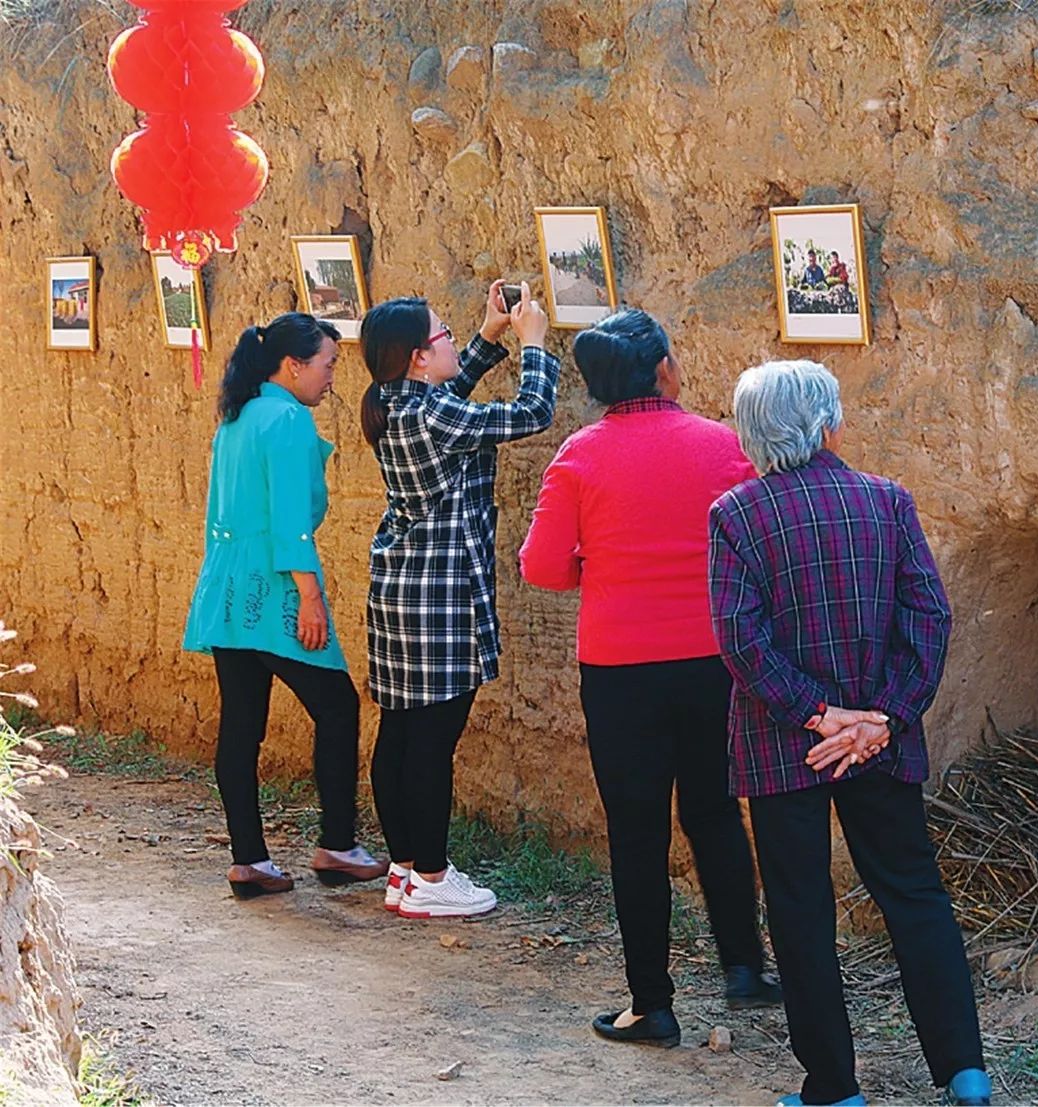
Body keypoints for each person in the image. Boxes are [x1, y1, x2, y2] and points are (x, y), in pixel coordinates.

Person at [708, 359, 990, 1107]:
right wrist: (883, 718)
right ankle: (966, 1069)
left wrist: (818, 714)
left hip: (783, 745)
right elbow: (928, 617)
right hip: (879, 740)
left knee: (801, 910)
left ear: (750, 434)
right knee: (915, 895)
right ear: (829, 422)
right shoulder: (886, 500)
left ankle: (832, 1088)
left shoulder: (735, 515)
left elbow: (741, 641)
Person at [519, 308, 782, 1048]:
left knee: (636, 833)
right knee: (715, 812)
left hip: (619, 671)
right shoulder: (723, 445)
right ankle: (744, 969)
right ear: (663, 369)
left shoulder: (578, 456)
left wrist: (595, 570)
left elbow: (540, 565)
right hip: (710, 663)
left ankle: (652, 1004)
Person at [360, 281, 559, 919]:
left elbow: (447, 399)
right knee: (432, 744)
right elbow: (531, 414)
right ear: (418, 355)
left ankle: (404, 871)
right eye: (442, 336)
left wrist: (485, 338)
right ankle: (433, 875)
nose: (449, 341)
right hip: (440, 597)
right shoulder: (431, 414)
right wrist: (534, 346)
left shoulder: (394, 402)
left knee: (400, 733)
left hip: (401, 590)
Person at [183, 312, 388, 900]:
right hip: (275, 588)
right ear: (293, 366)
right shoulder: (290, 420)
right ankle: (338, 844)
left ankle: (249, 859)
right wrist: (310, 596)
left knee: (241, 725)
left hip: (224, 588)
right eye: (327, 365)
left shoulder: (238, 417)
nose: (331, 378)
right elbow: (291, 523)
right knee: (338, 706)